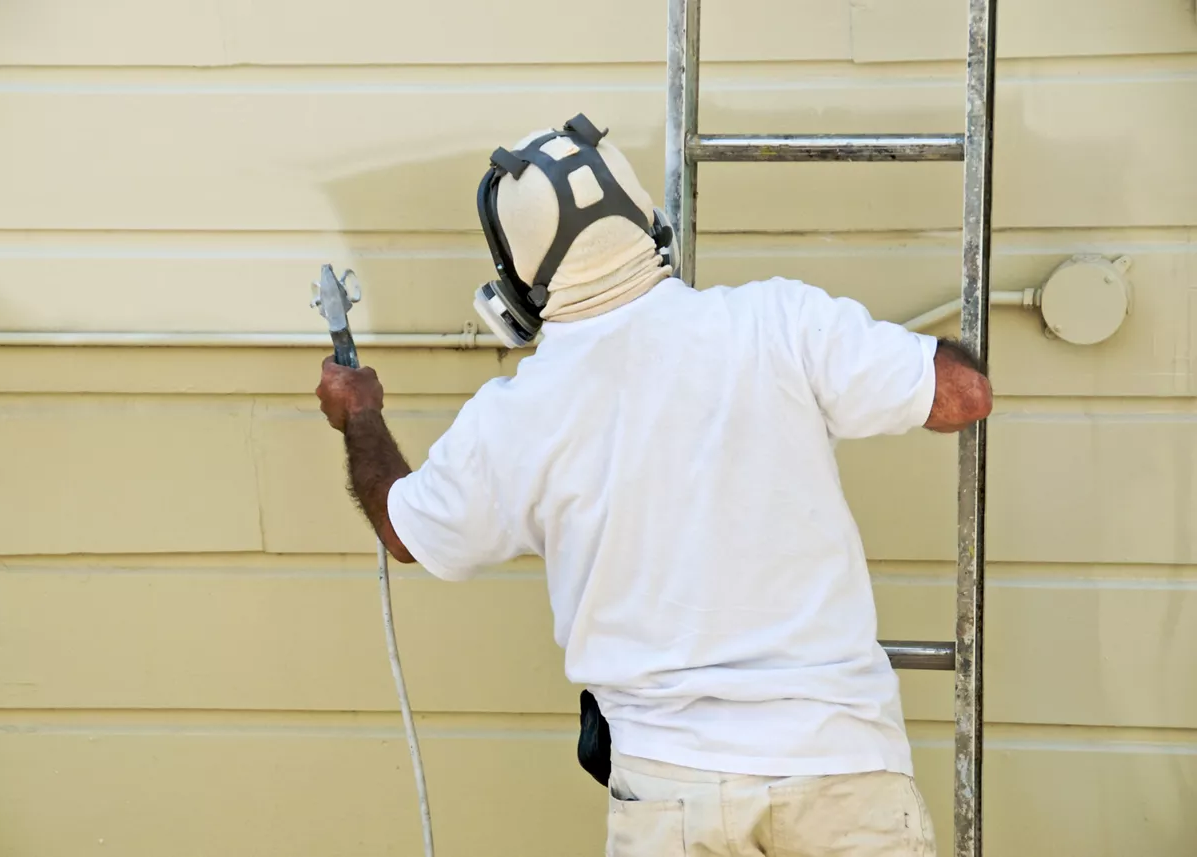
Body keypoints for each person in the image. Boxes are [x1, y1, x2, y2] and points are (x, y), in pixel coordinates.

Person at [316, 115, 992, 857]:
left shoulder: (515, 417)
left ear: (515, 291)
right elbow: (962, 396)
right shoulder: (778, 321)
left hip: (672, 793)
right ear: (652, 227)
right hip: (841, 768)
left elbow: (405, 530)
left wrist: (361, 416)